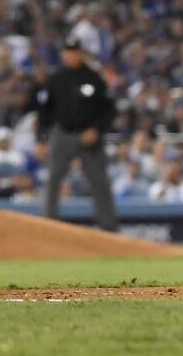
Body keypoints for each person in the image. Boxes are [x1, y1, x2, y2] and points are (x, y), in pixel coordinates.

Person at [35, 34, 117, 231]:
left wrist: (97, 129)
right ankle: (50, 225)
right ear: (63, 54)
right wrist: (41, 139)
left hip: (89, 136)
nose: (71, 55)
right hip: (62, 133)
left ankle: (108, 228)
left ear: (80, 53)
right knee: (53, 180)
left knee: (99, 182)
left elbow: (109, 110)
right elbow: (45, 111)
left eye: (74, 52)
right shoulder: (56, 79)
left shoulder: (94, 78)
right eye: (67, 52)